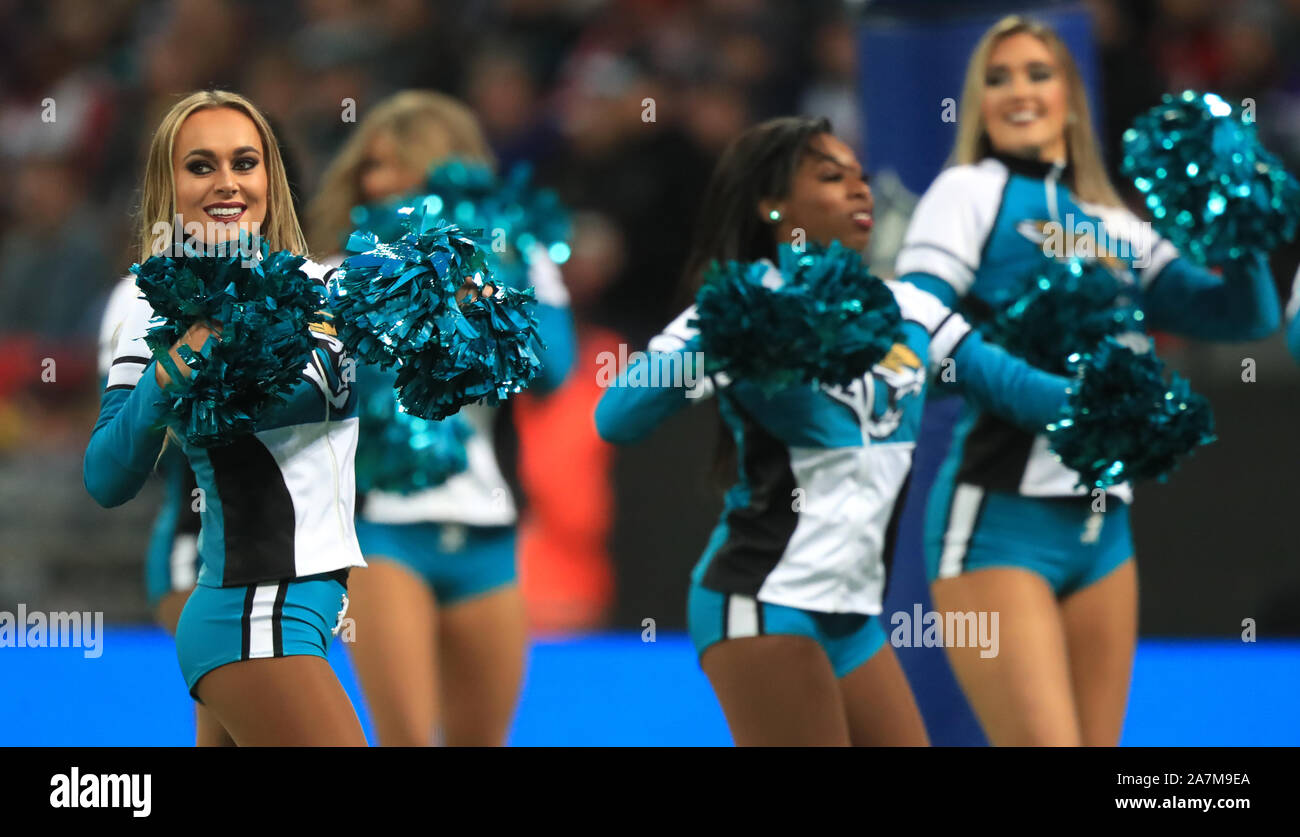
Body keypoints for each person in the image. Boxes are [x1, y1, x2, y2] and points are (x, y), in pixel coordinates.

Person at [595, 116, 1078, 746]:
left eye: (860, 175)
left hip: (852, 619)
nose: (860, 190)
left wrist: (1119, 399)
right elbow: (617, 416)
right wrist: (727, 345)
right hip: (764, 603)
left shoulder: (910, 312)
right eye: (831, 177)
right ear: (774, 208)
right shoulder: (739, 306)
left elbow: (1020, 391)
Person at [894, 15, 1280, 746]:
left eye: (1038, 72)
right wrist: (1057, 401)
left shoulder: (1116, 225)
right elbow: (917, 319)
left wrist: (1240, 220)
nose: (1018, 90)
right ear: (976, 102)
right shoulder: (968, 191)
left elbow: (1242, 315)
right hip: (998, 525)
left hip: (1104, 530)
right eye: (997, 78)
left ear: (1071, 95)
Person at [85, 90, 367, 745]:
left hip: (302, 609)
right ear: (169, 183)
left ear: (271, 175)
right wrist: (173, 366)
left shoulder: (320, 284)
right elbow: (106, 475)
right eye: (201, 165)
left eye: (245, 161)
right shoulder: (150, 302)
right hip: (253, 610)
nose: (228, 182)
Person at [308, 90, 576, 745]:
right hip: (382, 531)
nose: (381, 183)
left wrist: (485, 286)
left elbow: (554, 369)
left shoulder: (518, 254)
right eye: (371, 167)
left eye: (403, 165)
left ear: (450, 170)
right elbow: (340, 392)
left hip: (486, 530)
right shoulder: (341, 275)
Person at [96, 275, 225, 744]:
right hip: (192, 551)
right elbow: (123, 447)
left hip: (293, 563)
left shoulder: (298, 282)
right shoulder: (134, 295)